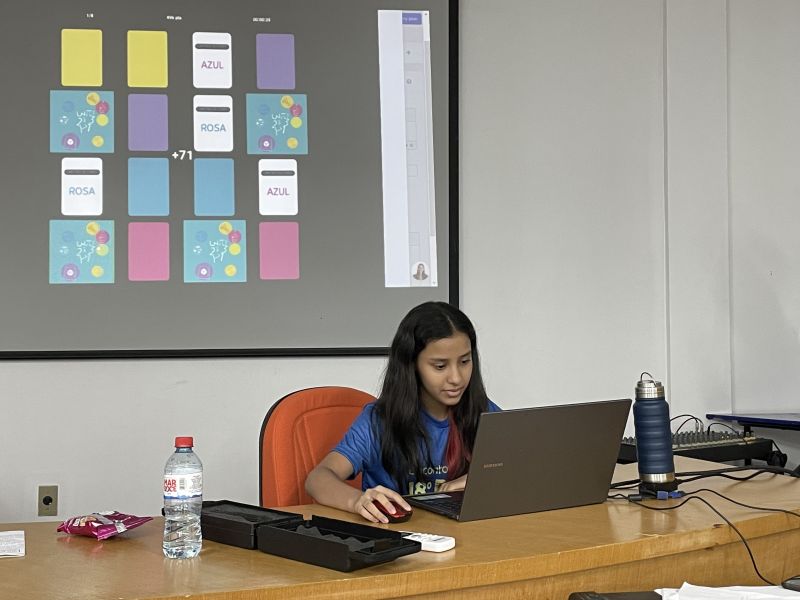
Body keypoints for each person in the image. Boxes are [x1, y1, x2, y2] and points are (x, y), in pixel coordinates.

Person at [305, 301, 500, 523]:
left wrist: (481, 480)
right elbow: (317, 479)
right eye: (440, 366)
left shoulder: (483, 412)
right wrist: (357, 501)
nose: (456, 378)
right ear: (411, 365)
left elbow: (522, 468)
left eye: (464, 361)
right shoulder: (378, 421)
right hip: (396, 534)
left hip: (464, 536)